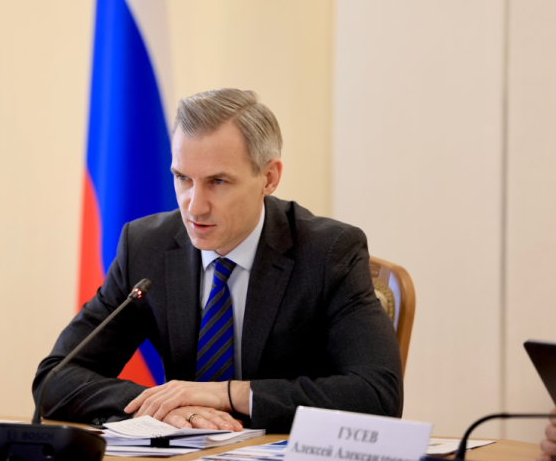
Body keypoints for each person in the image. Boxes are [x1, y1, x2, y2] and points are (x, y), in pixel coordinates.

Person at [32, 88, 403, 433]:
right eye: (183, 178)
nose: (194, 206)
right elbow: (55, 378)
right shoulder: (146, 246)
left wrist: (228, 394)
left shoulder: (328, 252)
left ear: (269, 177)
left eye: (218, 182)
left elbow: (377, 394)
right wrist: (165, 407)